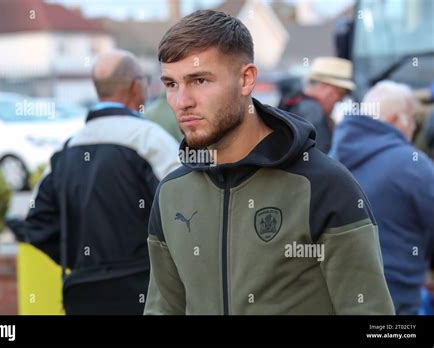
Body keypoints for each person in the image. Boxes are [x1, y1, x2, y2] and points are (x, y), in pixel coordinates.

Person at [143, 10, 394, 315]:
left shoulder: (323, 185)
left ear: (246, 79)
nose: (182, 101)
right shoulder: (171, 193)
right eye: (171, 84)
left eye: (199, 80)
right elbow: (162, 309)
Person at [7, 50, 180, 314]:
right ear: (137, 86)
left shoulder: (66, 150)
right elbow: (184, 214)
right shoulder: (152, 141)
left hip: (82, 297)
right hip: (145, 296)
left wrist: (84, 264)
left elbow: (37, 223)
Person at [329, 81, 434, 315]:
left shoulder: (330, 158)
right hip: (396, 299)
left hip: (336, 296)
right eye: (411, 120)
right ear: (399, 120)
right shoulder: (413, 164)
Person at [279, 56, 354, 153]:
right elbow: (322, 158)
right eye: (341, 93)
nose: (341, 100)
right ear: (326, 88)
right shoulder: (313, 112)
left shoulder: (294, 102)